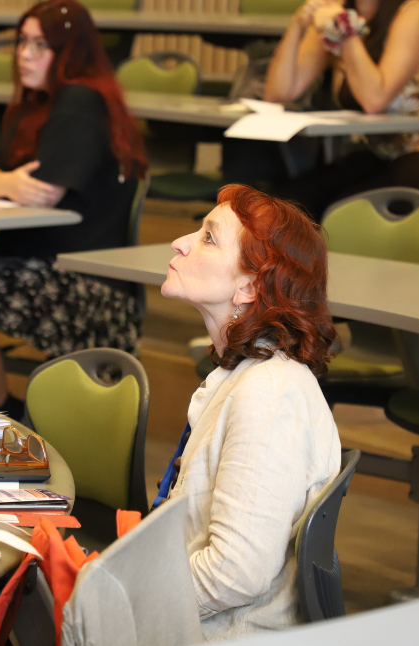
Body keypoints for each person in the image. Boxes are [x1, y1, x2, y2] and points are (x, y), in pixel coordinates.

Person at [0, 0, 149, 416]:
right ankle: (4, 413)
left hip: (80, 280)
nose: (24, 54)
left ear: (72, 53)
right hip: (22, 263)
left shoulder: (79, 100)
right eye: (22, 42)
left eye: (41, 45)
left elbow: (41, 192)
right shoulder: (35, 107)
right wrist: (0, 181)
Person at [157, 184, 342, 640]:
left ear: (249, 287)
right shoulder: (243, 374)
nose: (180, 242)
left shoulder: (268, 395)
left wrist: (130, 605)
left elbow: (236, 574)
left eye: (208, 238)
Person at [261, 0, 419, 220]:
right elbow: (278, 93)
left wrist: (343, 29)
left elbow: (374, 99)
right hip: (383, 153)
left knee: (346, 211)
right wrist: (299, 24)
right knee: (291, 202)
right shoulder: (336, 9)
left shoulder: (415, 11)